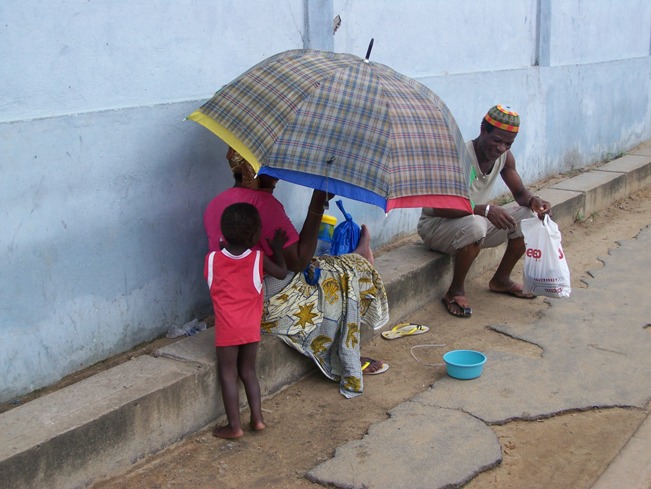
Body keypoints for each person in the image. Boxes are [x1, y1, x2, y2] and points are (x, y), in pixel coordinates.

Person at [204, 149, 390, 398]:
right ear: (255, 172)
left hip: (232, 305)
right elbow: (299, 262)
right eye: (270, 171)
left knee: (322, 264)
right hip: (267, 305)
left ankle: (357, 255)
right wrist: (317, 203)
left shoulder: (216, 204)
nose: (277, 177)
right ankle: (345, 351)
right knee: (340, 274)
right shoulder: (264, 204)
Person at [418, 104, 551, 318]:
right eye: (497, 140)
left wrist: (535, 201)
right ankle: (455, 291)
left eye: (508, 144)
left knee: (528, 216)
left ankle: (501, 280)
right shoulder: (458, 156)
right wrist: (485, 210)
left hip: (470, 224)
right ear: (483, 129)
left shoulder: (505, 157)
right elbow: (438, 206)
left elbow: (519, 193)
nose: (501, 148)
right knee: (477, 223)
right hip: (436, 226)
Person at [205, 202, 289, 438]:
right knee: (248, 372)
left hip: (227, 330)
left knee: (228, 373)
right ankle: (258, 419)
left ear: (222, 233)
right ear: (255, 236)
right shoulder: (258, 259)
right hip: (250, 328)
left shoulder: (211, 260)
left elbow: (215, 276)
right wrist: (278, 249)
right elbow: (282, 273)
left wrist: (223, 247)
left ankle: (234, 427)